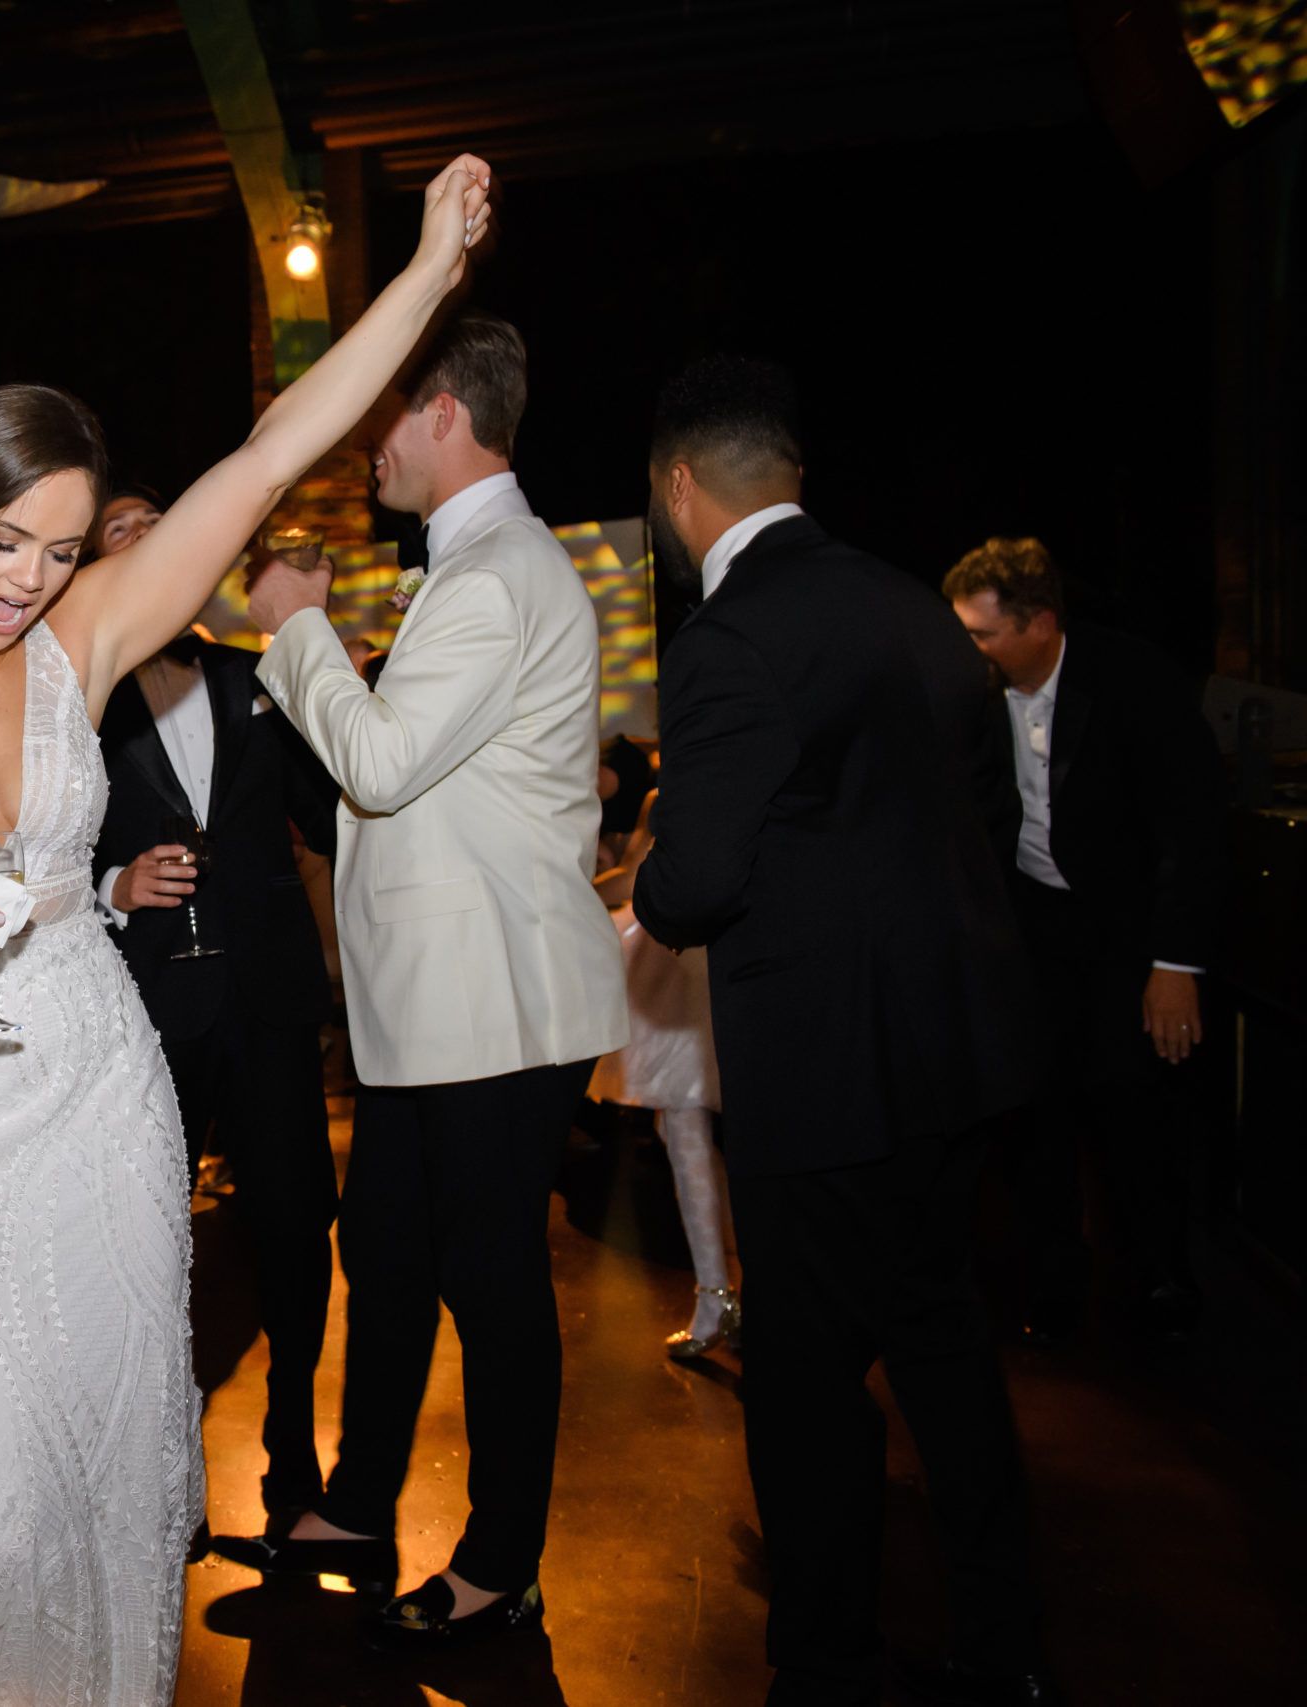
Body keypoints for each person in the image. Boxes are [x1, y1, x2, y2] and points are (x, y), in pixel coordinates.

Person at [0, 154, 493, 1705]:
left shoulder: (85, 638)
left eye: (64, 548)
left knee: (127, 1453)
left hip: (98, 1081)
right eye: (6, 539)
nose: (31, 579)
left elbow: (270, 455)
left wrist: (423, 278)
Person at [631, 356, 1052, 1707]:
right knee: (945, 1345)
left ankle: (826, 1662)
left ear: (683, 488)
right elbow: (984, 827)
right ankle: (1008, 1648)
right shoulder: (917, 612)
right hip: (956, 1053)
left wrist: (648, 870)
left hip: (825, 1074)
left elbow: (693, 883)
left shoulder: (731, 637)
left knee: (808, 1387)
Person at [235, 313, 629, 1646]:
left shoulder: (494, 571)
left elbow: (385, 766)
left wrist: (296, 632)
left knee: (489, 1275)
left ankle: (505, 1560)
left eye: (387, 423)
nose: (373, 447)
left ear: (445, 414)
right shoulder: (468, 567)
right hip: (435, 1004)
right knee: (387, 1247)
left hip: (492, 1003)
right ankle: (357, 1498)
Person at [88, 498, 343, 1529]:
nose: (148, 537)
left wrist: (337, 687)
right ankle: (163, 1472)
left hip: (270, 1004)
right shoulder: (75, 697)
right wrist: (113, 883)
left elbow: (330, 814)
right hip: (144, 1008)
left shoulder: (254, 676)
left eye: (160, 521)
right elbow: (33, 846)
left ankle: (294, 1452)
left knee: (295, 1228)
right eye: (120, 531)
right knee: (147, 1248)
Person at [943, 537, 1222, 1344]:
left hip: (1125, 929)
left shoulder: (1133, 679)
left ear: (1040, 623)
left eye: (981, 632)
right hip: (1032, 927)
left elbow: (1189, 828)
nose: (969, 647)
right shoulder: (973, 693)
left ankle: (1160, 1274)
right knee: (1036, 1112)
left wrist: (1174, 965)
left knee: (1134, 1107)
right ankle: (1053, 1279)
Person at [592, 788, 738, 1358]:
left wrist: (573, 888)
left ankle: (718, 1298)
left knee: (685, 1130)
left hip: (687, 965)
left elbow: (635, 880)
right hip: (741, 958)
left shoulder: (675, 786)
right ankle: (748, 1296)